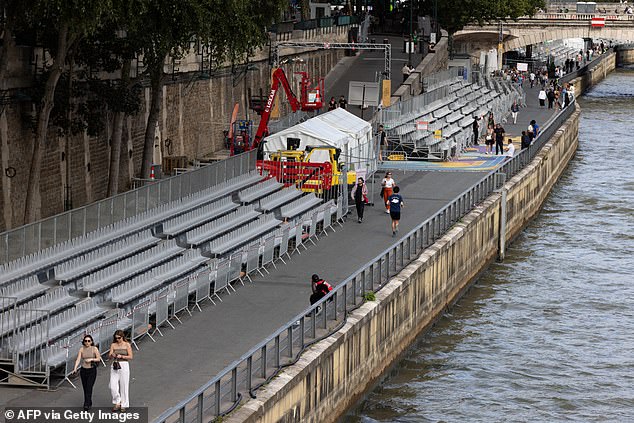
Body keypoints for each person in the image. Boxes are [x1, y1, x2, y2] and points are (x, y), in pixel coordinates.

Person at [72, 334, 100, 410]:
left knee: (89, 387)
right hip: (84, 370)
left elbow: (98, 358)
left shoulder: (94, 349)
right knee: (85, 387)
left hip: (91, 370)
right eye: (85, 341)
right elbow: (78, 359)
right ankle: (89, 401)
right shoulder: (81, 349)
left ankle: (86, 404)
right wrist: (75, 368)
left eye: (89, 341)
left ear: (91, 342)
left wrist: (91, 359)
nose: (87, 342)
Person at [109, 330, 133, 412]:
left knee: (124, 385)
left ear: (122, 337)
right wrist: (112, 355)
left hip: (124, 365)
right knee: (112, 385)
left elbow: (130, 356)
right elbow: (109, 355)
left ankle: (124, 404)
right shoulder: (113, 345)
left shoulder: (127, 345)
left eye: (119, 338)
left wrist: (121, 356)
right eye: (116, 338)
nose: (117, 340)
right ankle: (117, 401)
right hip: (115, 364)